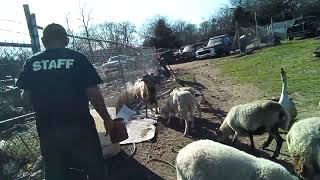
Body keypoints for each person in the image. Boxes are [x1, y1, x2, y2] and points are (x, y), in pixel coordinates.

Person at [16, 23, 114, 180]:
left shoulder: (31, 62)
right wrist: (107, 119)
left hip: (48, 130)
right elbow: (93, 93)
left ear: (43, 40)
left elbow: (26, 98)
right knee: (95, 169)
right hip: (80, 128)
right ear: (66, 40)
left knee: (55, 171)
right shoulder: (77, 58)